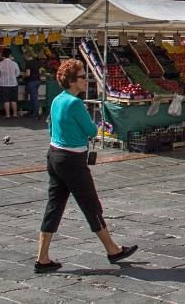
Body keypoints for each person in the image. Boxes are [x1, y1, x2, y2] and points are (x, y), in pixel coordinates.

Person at [36, 59, 137, 273]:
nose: (87, 80)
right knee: (91, 205)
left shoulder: (57, 100)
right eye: (83, 77)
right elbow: (92, 130)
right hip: (72, 159)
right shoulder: (75, 103)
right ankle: (112, 249)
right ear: (72, 81)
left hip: (54, 155)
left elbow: (50, 126)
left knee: (54, 206)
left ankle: (42, 257)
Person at [0, 48, 21, 119]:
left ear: (3, 55)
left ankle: (7, 115)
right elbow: (18, 73)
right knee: (14, 100)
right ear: (10, 55)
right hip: (13, 84)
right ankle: (15, 114)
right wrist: (13, 76)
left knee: (6, 100)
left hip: (3, 84)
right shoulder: (14, 63)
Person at [24, 52, 45, 119]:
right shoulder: (36, 62)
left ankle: (36, 113)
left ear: (26, 56)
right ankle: (32, 111)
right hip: (37, 81)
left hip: (31, 81)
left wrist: (23, 75)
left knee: (34, 98)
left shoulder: (28, 63)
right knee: (33, 97)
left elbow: (28, 74)